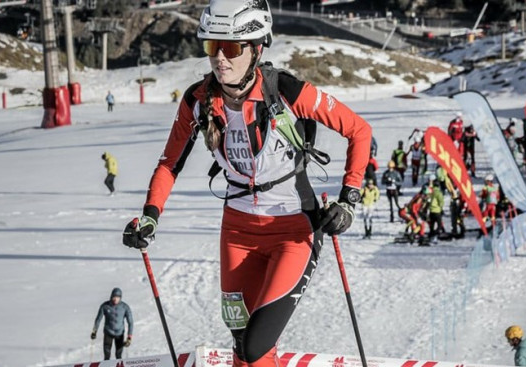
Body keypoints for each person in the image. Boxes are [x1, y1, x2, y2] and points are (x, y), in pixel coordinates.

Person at [121, 2, 371, 366]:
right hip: (236, 232)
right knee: (242, 343)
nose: (220, 58)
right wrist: (149, 216)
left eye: (232, 48)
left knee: (254, 344)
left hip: (293, 230)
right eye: (212, 47)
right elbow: (168, 164)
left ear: (257, 49)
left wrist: (348, 201)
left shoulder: (285, 90)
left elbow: (359, 131)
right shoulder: (198, 100)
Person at [92, 288, 133, 360]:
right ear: (111, 296)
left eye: (118, 297)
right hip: (108, 332)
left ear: (120, 298)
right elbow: (98, 319)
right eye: (114, 297)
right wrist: (94, 331)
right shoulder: (105, 306)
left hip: (119, 333)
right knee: (107, 355)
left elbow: (130, 322)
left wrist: (129, 337)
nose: (115, 299)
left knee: (118, 355)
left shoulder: (125, 307)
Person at [426, 175, 445, 244]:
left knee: (432, 225)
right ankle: (435, 235)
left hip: (431, 211)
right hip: (437, 211)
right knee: (439, 225)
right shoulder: (439, 193)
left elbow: (427, 198)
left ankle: (430, 235)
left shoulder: (431, 191)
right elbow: (441, 201)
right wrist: (441, 207)